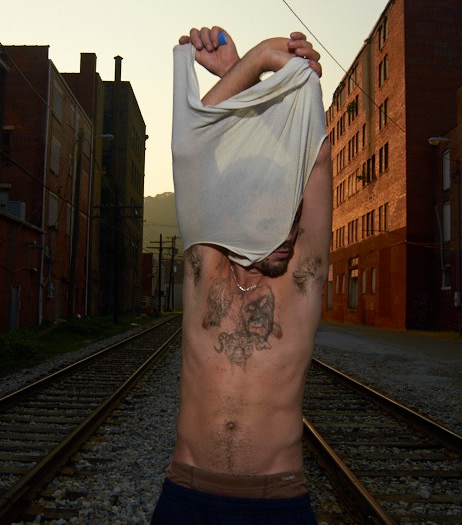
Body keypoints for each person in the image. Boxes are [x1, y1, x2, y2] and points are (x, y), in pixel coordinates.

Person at [151, 26, 331, 524]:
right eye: (274, 218)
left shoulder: (301, 284)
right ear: (233, 213)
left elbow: (316, 159)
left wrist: (279, 76)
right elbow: (192, 150)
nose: (291, 234)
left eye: (293, 218)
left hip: (279, 502)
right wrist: (249, 65)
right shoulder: (204, 270)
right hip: (187, 497)